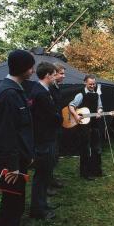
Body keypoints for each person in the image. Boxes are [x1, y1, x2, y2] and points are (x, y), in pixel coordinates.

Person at [0, 49, 35, 226]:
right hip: (11, 164)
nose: (33, 70)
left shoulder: (13, 90)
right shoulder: (8, 94)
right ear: (24, 68)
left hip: (16, 159)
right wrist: (13, 167)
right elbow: (5, 134)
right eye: (31, 66)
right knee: (12, 207)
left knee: (14, 205)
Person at [29, 62, 61, 220]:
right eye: (55, 74)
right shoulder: (40, 93)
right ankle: (38, 210)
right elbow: (51, 116)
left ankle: (42, 204)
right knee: (41, 177)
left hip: (45, 138)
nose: (56, 77)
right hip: (43, 141)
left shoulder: (41, 89)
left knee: (44, 175)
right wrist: (59, 117)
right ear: (48, 75)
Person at [69, 74, 103, 180]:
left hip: (95, 125)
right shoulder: (80, 94)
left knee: (96, 149)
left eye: (94, 84)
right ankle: (85, 173)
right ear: (85, 83)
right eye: (90, 84)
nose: (92, 86)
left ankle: (96, 171)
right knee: (85, 149)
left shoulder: (97, 95)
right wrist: (75, 115)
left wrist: (99, 112)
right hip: (84, 126)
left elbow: (100, 107)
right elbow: (71, 106)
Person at [47, 63, 66, 194]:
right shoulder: (48, 88)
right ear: (54, 74)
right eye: (61, 73)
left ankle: (51, 178)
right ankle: (46, 185)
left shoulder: (57, 87)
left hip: (57, 126)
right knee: (49, 156)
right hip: (50, 128)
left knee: (54, 155)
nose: (63, 76)